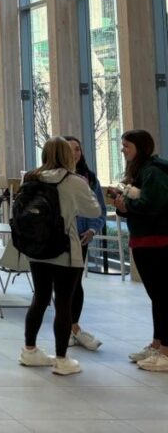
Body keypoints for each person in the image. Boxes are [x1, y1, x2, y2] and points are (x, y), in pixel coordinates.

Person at [17, 137, 101, 376]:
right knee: (63, 303)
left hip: (38, 248)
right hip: (65, 249)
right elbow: (93, 210)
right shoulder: (74, 181)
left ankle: (29, 349)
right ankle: (62, 359)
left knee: (40, 299)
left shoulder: (31, 178)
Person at [111, 129, 168, 371]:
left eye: (127, 146)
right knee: (157, 297)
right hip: (144, 240)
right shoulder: (142, 171)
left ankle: (165, 351)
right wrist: (124, 205)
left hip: (157, 241)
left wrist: (129, 204)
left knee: (163, 296)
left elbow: (152, 205)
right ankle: (157, 344)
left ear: (140, 148)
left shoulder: (153, 172)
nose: (123, 149)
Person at [64, 135, 106, 351]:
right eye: (69, 149)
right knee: (60, 284)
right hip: (59, 238)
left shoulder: (88, 178)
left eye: (77, 149)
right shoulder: (52, 177)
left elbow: (99, 208)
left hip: (80, 237)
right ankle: (68, 329)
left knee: (75, 282)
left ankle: (74, 327)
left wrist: (92, 229)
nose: (74, 154)